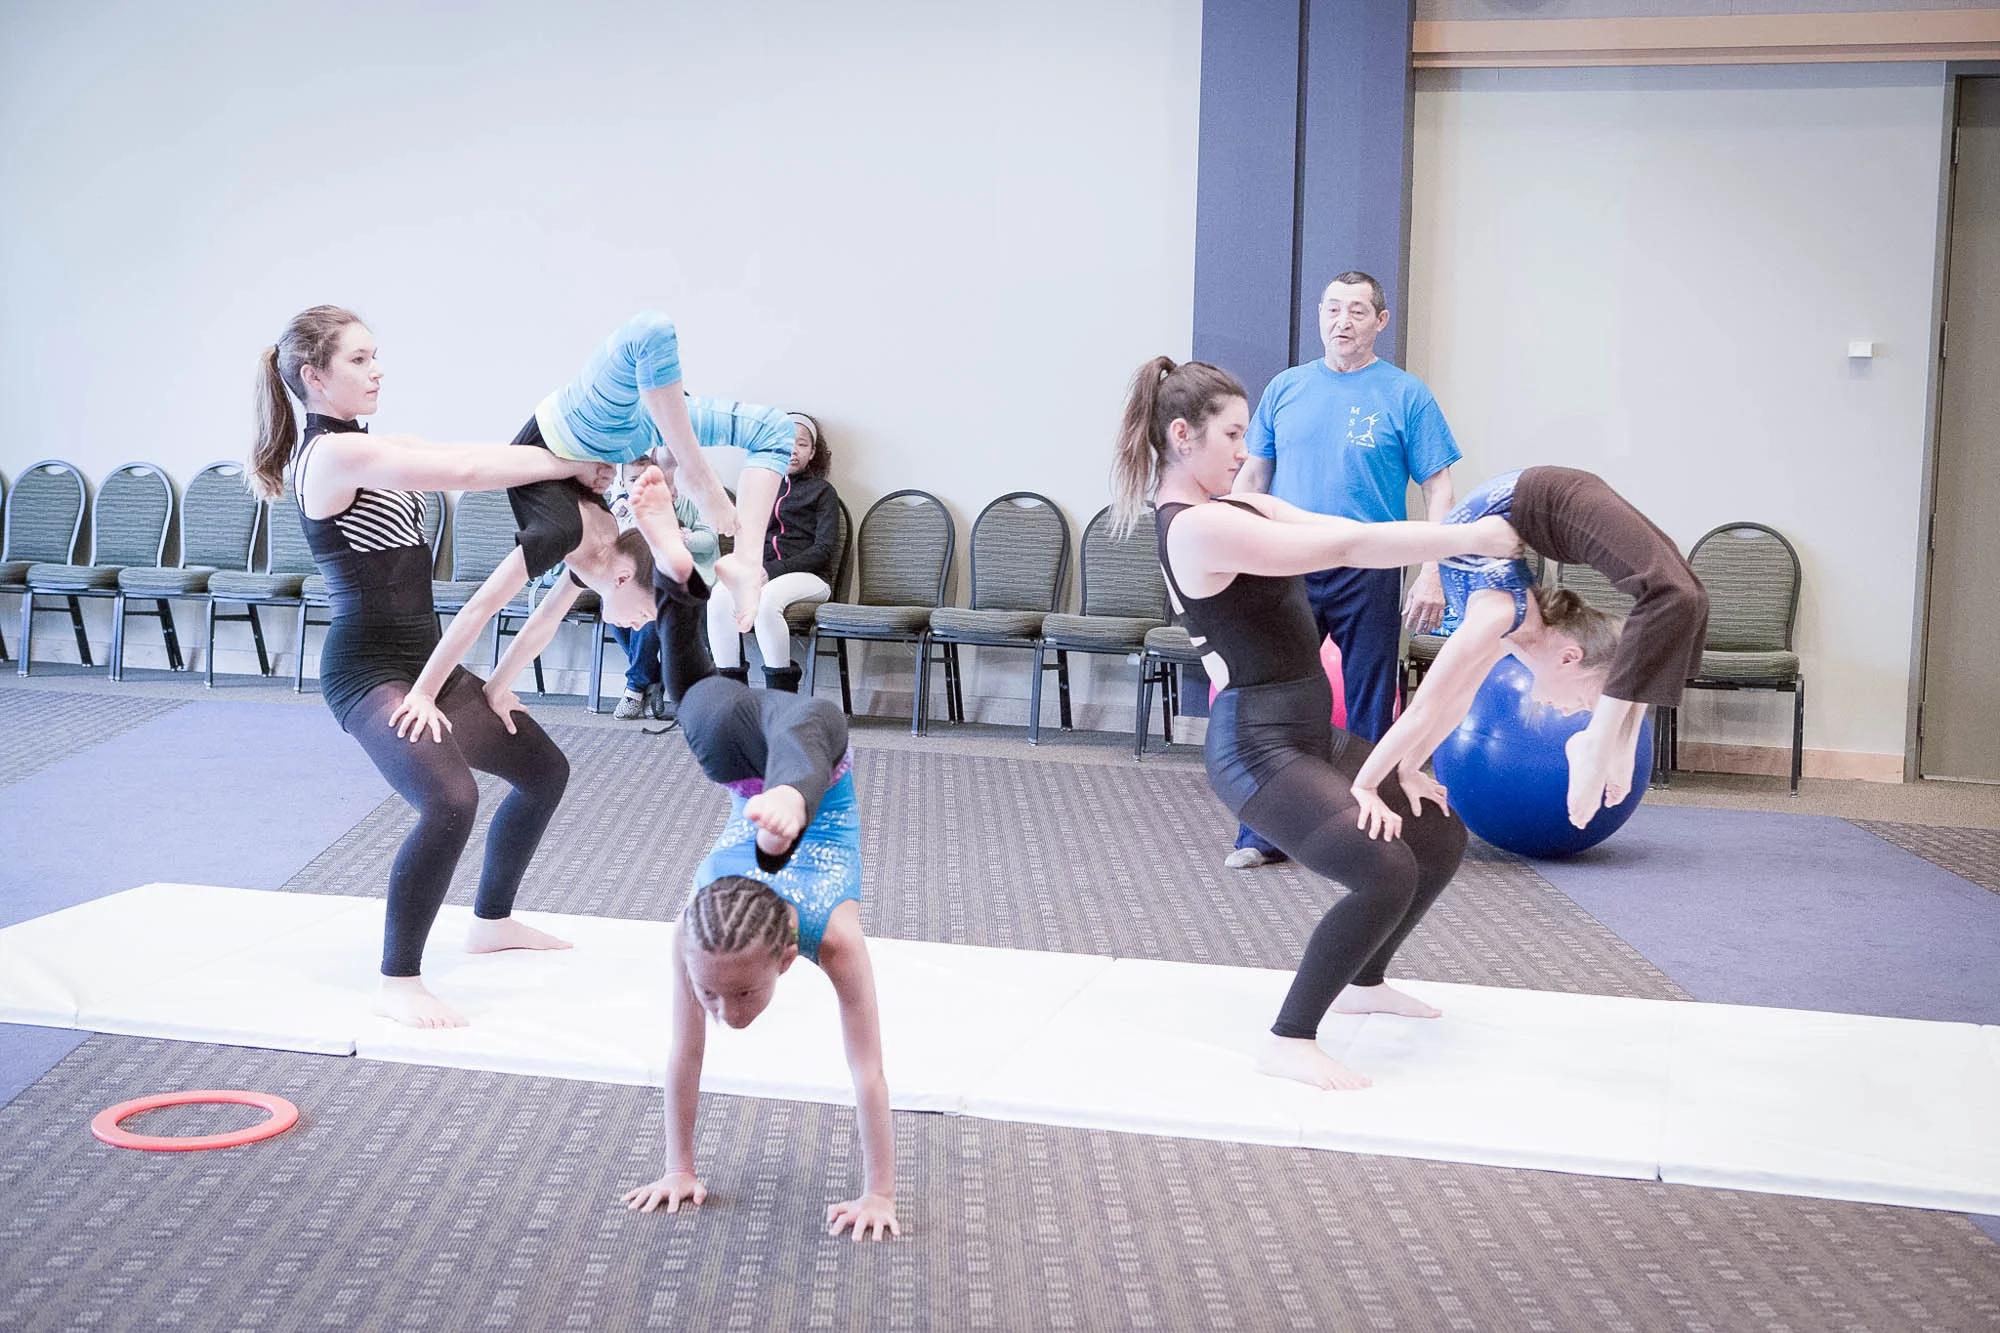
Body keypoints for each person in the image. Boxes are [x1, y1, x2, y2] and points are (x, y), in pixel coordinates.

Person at [1112, 355, 1519, 1091]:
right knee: (1383, 867)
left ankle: (1365, 980)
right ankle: (1290, 1037)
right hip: (1256, 749)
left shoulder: (1241, 507)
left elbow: (1349, 529)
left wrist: (1455, 529)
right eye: (1232, 435)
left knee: (1436, 832)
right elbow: (1349, 551)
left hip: (1307, 734)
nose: (1244, 450)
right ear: (1182, 435)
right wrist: (1468, 541)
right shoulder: (1195, 529)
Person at [249, 306, 614, 1029]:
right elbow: (468, 473)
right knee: (450, 800)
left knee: (544, 771)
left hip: (426, 661)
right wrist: (570, 465)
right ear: (314, 377)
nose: (377, 370)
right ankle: (399, 980)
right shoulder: (329, 457)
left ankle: (492, 922)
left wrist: (570, 454)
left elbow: (474, 454)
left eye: (375, 355)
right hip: (367, 670)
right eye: (359, 360)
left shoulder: (378, 446)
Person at [617, 468, 897, 1240]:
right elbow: (685, 1053)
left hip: (802, 758)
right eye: (713, 995)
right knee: (702, 705)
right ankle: (679, 569)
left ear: (783, 958)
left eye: (736, 994)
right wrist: (678, 1165)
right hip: (752, 761)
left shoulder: (831, 936)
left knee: (734, 720)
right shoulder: (696, 935)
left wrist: (880, 1193)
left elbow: (868, 1070)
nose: (723, 1011)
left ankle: (788, 805)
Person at [1224, 271, 1462, 870]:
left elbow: (1439, 488)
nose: (1342, 321)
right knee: (1278, 697)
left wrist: (1432, 569)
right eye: (1332, 309)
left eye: (1357, 310)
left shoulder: (1406, 394)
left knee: (1370, 702)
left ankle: (1369, 834)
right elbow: (1252, 479)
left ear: (1381, 321)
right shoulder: (1287, 388)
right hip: (1291, 565)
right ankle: (1261, 834)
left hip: (1370, 566)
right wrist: (1232, 553)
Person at [1348, 468, 1708, 836]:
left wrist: (1409, 767)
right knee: (1672, 594)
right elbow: (1423, 708)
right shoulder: (1500, 616)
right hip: (1547, 499)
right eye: (1588, 704)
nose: (1573, 711)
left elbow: (1453, 706)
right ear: (1570, 656)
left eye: (1585, 708)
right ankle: (1601, 743)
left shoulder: (1506, 631)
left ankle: (1616, 744)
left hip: (1544, 508)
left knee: (1691, 597)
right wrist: (1365, 785)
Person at [527, 312, 794, 631]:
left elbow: (542, 616)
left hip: (600, 438)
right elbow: (544, 615)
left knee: (776, 431)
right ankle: (737, 550)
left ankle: (743, 559)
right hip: (611, 440)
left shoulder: (579, 528)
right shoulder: (588, 542)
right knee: (775, 431)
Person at [705, 411, 840, 692]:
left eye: (802, 444)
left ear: (813, 452)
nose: (793, 449)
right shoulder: (761, 490)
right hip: (760, 573)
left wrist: (772, 570)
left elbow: (824, 550)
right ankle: (731, 695)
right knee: (719, 597)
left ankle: (781, 697)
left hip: (811, 577)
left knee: (766, 603)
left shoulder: (823, 492)